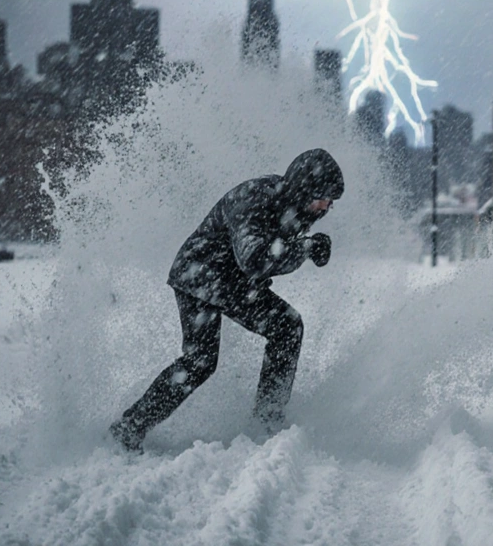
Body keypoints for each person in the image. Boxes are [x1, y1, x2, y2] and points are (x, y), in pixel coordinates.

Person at [110, 148, 344, 453]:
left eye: (331, 201)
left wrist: (306, 245)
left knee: (287, 327)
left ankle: (267, 422)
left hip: (233, 283)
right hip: (201, 274)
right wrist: (306, 249)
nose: (326, 206)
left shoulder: (296, 205)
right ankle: (129, 429)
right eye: (322, 197)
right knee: (200, 361)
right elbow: (255, 259)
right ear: (303, 189)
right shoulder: (256, 200)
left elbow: (269, 253)